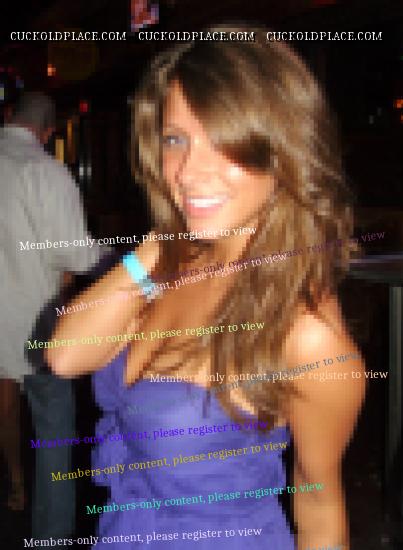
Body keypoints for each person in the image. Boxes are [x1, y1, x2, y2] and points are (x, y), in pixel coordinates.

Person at [48, 26, 366, 549]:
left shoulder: (306, 333)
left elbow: (319, 508)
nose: (189, 172)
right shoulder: (170, 263)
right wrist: (161, 241)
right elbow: (64, 357)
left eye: (223, 141)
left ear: (282, 152)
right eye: (176, 139)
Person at [0, 92, 101, 534]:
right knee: (55, 436)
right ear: (48, 131)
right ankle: (50, 537)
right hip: (34, 327)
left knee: (4, 407)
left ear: (9, 116)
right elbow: (76, 255)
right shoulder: (45, 171)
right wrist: (130, 263)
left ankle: (15, 483)